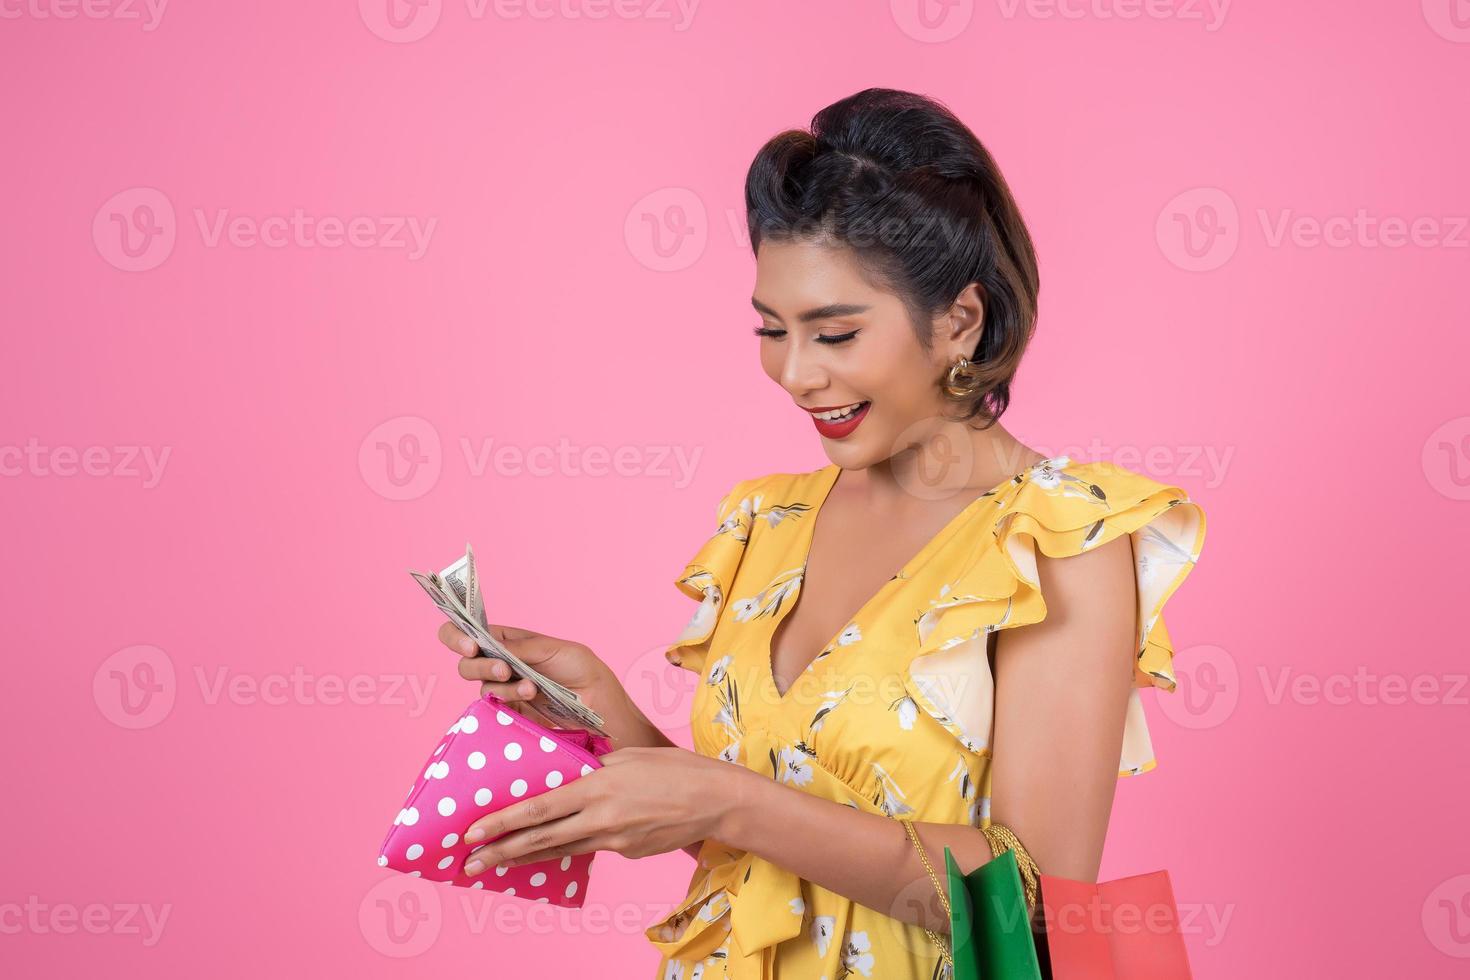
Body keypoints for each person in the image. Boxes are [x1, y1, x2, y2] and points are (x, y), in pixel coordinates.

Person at [439, 87, 1208, 980]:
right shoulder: (769, 519)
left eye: (835, 333)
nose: (797, 375)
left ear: (960, 321)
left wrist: (725, 802)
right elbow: (776, 867)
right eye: (772, 329)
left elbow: (1034, 908)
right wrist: (607, 717)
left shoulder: (1056, 540)